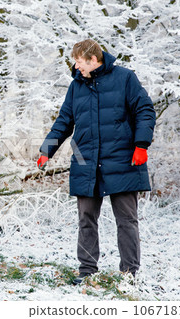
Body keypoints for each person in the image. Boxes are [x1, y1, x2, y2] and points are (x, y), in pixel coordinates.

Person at [37, 39, 156, 284]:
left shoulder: (125, 79)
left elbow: (145, 110)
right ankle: (87, 272)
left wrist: (141, 145)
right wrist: (46, 150)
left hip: (123, 161)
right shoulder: (76, 86)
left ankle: (129, 275)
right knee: (86, 220)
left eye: (79, 62)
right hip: (86, 162)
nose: (76, 66)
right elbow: (64, 121)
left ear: (93, 60)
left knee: (126, 220)